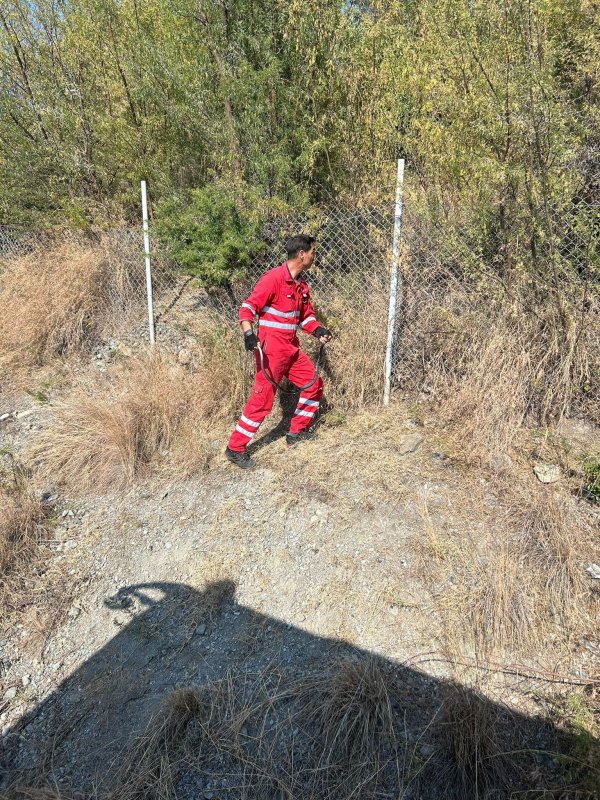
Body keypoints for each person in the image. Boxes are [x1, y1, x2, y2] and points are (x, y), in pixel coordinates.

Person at [225, 234, 332, 468]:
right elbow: (247, 307)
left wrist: (318, 330)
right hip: (270, 352)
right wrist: (248, 333)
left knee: (314, 384)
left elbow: (305, 318)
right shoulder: (273, 279)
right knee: (262, 400)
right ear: (301, 254)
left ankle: (296, 432)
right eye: (313, 252)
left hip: (291, 350)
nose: (314, 256)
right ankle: (235, 447)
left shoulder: (302, 286)